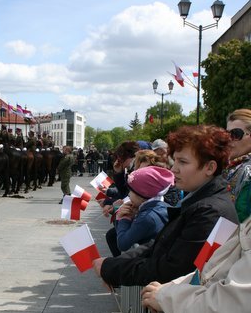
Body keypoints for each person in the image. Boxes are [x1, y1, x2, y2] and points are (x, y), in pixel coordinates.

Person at [93, 125, 238, 290]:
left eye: (182, 162)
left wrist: (112, 269)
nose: (174, 168)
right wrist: (112, 265)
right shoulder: (202, 201)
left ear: (209, 168)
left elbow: (171, 268)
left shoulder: (209, 210)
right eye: (174, 160)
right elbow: (160, 244)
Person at [114, 166, 174, 252]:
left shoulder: (146, 217)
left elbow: (123, 244)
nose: (129, 195)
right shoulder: (161, 206)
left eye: (131, 191)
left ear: (142, 195)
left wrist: (124, 217)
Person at [224, 108, 251, 222]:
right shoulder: (230, 167)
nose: (229, 140)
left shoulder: (248, 173)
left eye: (235, 134)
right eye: (226, 134)